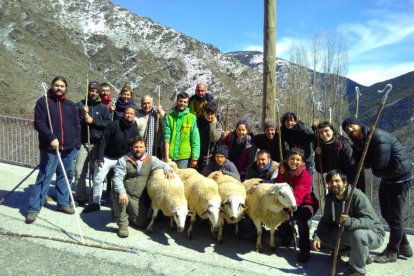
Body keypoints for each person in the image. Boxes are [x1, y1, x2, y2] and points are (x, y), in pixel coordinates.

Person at [342, 117, 413, 263]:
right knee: (387, 213)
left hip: (399, 178)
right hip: (388, 177)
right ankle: (404, 245)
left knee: (395, 216)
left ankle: (392, 252)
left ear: (359, 124)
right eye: (346, 129)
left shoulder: (378, 137)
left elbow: (379, 165)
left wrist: (365, 160)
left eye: (351, 126)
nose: (349, 130)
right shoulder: (361, 140)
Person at [26, 76, 80, 223]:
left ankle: (62, 203)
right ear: (52, 86)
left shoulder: (70, 105)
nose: (59, 88)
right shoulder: (43, 102)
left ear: (65, 88)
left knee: (65, 176)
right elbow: (39, 124)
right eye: (56, 85)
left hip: (68, 148)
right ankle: (33, 208)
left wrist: (76, 144)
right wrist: (51, 138)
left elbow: (76, 125)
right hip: (50, 148)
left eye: (62, 86)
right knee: (45, 176)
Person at [312, 170, 385, 276]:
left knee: (358, 235)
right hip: (349, 232)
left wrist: (350, 222)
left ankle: (357, 270)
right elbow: (325, 221)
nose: (334, 184)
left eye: (337, 181)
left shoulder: (357, 196)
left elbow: (369, 221)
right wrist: (317, 236)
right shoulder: (330, 198)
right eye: (331, 182)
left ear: (344, 182)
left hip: (372, 234)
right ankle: (357, 255)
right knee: (323, 235)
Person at [112, 136, 174, 238]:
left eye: (141, 147)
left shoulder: (150, 159)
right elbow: (117, 178)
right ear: (132, 148)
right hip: (124, 191)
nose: (138, 149)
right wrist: (122, 192)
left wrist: (168, 170)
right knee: (118, 195)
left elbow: (164, 164)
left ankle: (123, 211)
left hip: (136, 196)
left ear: (145, 148)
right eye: (136, 147)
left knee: (142, 223)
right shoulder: (124, 160)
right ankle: (122, 225)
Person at [83, 106, 139, 213]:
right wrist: (100, 158)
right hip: (107, 157)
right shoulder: (114, 125)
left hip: (122, 158)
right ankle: (96, 202)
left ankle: (118, 202)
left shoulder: (134, 129)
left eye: (132, 114)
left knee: (120, 180)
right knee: (98, 178)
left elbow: (134, 145)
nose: (129, 115)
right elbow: (103, 140)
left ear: (134, 116)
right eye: (127, 113)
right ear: (123, 114)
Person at [274, 148, 319, 263]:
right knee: (277, 212)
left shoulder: (305, 175)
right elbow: (279, 186)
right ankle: (287, 235)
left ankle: (304, 249)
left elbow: (298, 196)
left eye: (298, 159)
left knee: (301, 219)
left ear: (302, 161)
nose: (294, 162)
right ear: (287, 159)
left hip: (306, 203)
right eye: (292, 159)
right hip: (288, 201)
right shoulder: (284, 169)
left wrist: (288, 211)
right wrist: (281, 174)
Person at [73, 81, 111, 206]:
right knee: (79, 171)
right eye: (92, 90)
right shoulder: (80, 105)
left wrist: (93, 121)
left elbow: (108, 125)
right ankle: (80, 197)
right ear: (88, 90)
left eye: (96, 91)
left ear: (99, 93)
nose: (94, 93)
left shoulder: (103, 108)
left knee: (96, 173)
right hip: (84, 143)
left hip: (98, 144)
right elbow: (75, 123)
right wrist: (83, 115)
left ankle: (94, 198)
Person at [314, 121, 363, 192]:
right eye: (321, 132)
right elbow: (320, 169)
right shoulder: (321, 147)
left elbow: (352, 165)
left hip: (349, 182)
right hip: (334, 183)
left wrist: (344, 183)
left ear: (332, 131)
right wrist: (319, 155)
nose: (324, 134)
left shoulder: (342, 144)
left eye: (326, 131)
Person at [163, 92, 200, 169]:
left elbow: (195, 138)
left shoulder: (192, 118)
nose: (182, 103)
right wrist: (166, 157)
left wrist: (195, 157)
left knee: (182, 179)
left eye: (185, 102)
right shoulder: (169, 118)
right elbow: (166, 139)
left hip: (184, 157)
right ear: (177, 101)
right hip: (170, 156)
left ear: (187, 104)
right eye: (181, 101)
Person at [196, 101, 223, 172]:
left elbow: (214, 138)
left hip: (208, 157)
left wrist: (213, 124)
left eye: (212, 114)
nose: (210, 116)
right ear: (204, 112)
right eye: (207, 113)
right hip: (196, 155)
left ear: (215, 114)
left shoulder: (218, 125)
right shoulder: (198, 121)